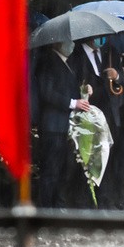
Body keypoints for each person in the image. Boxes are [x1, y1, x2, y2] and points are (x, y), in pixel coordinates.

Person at [70, 37, 124, 208]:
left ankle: (105, 200)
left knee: (107, 157)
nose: (101, 38)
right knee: (85, 158)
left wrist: (116, 75)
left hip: (109, 115)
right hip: (87, 116)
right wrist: (83, 90)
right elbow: (71, 81)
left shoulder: (110, 52)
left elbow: (122, 81)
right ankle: (84, 201)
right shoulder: (76, 54)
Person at [32, 41, 91, 208]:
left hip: (64, 126)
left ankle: (58, 205)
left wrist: (84, 90)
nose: (71, 44)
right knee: (50, 170)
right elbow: (47, 92)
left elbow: (67, 89)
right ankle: (46, 208)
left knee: (62, 170)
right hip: (52, 126)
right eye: (67, 40)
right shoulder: (48, 61)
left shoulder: (67, 63)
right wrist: (73, 103)